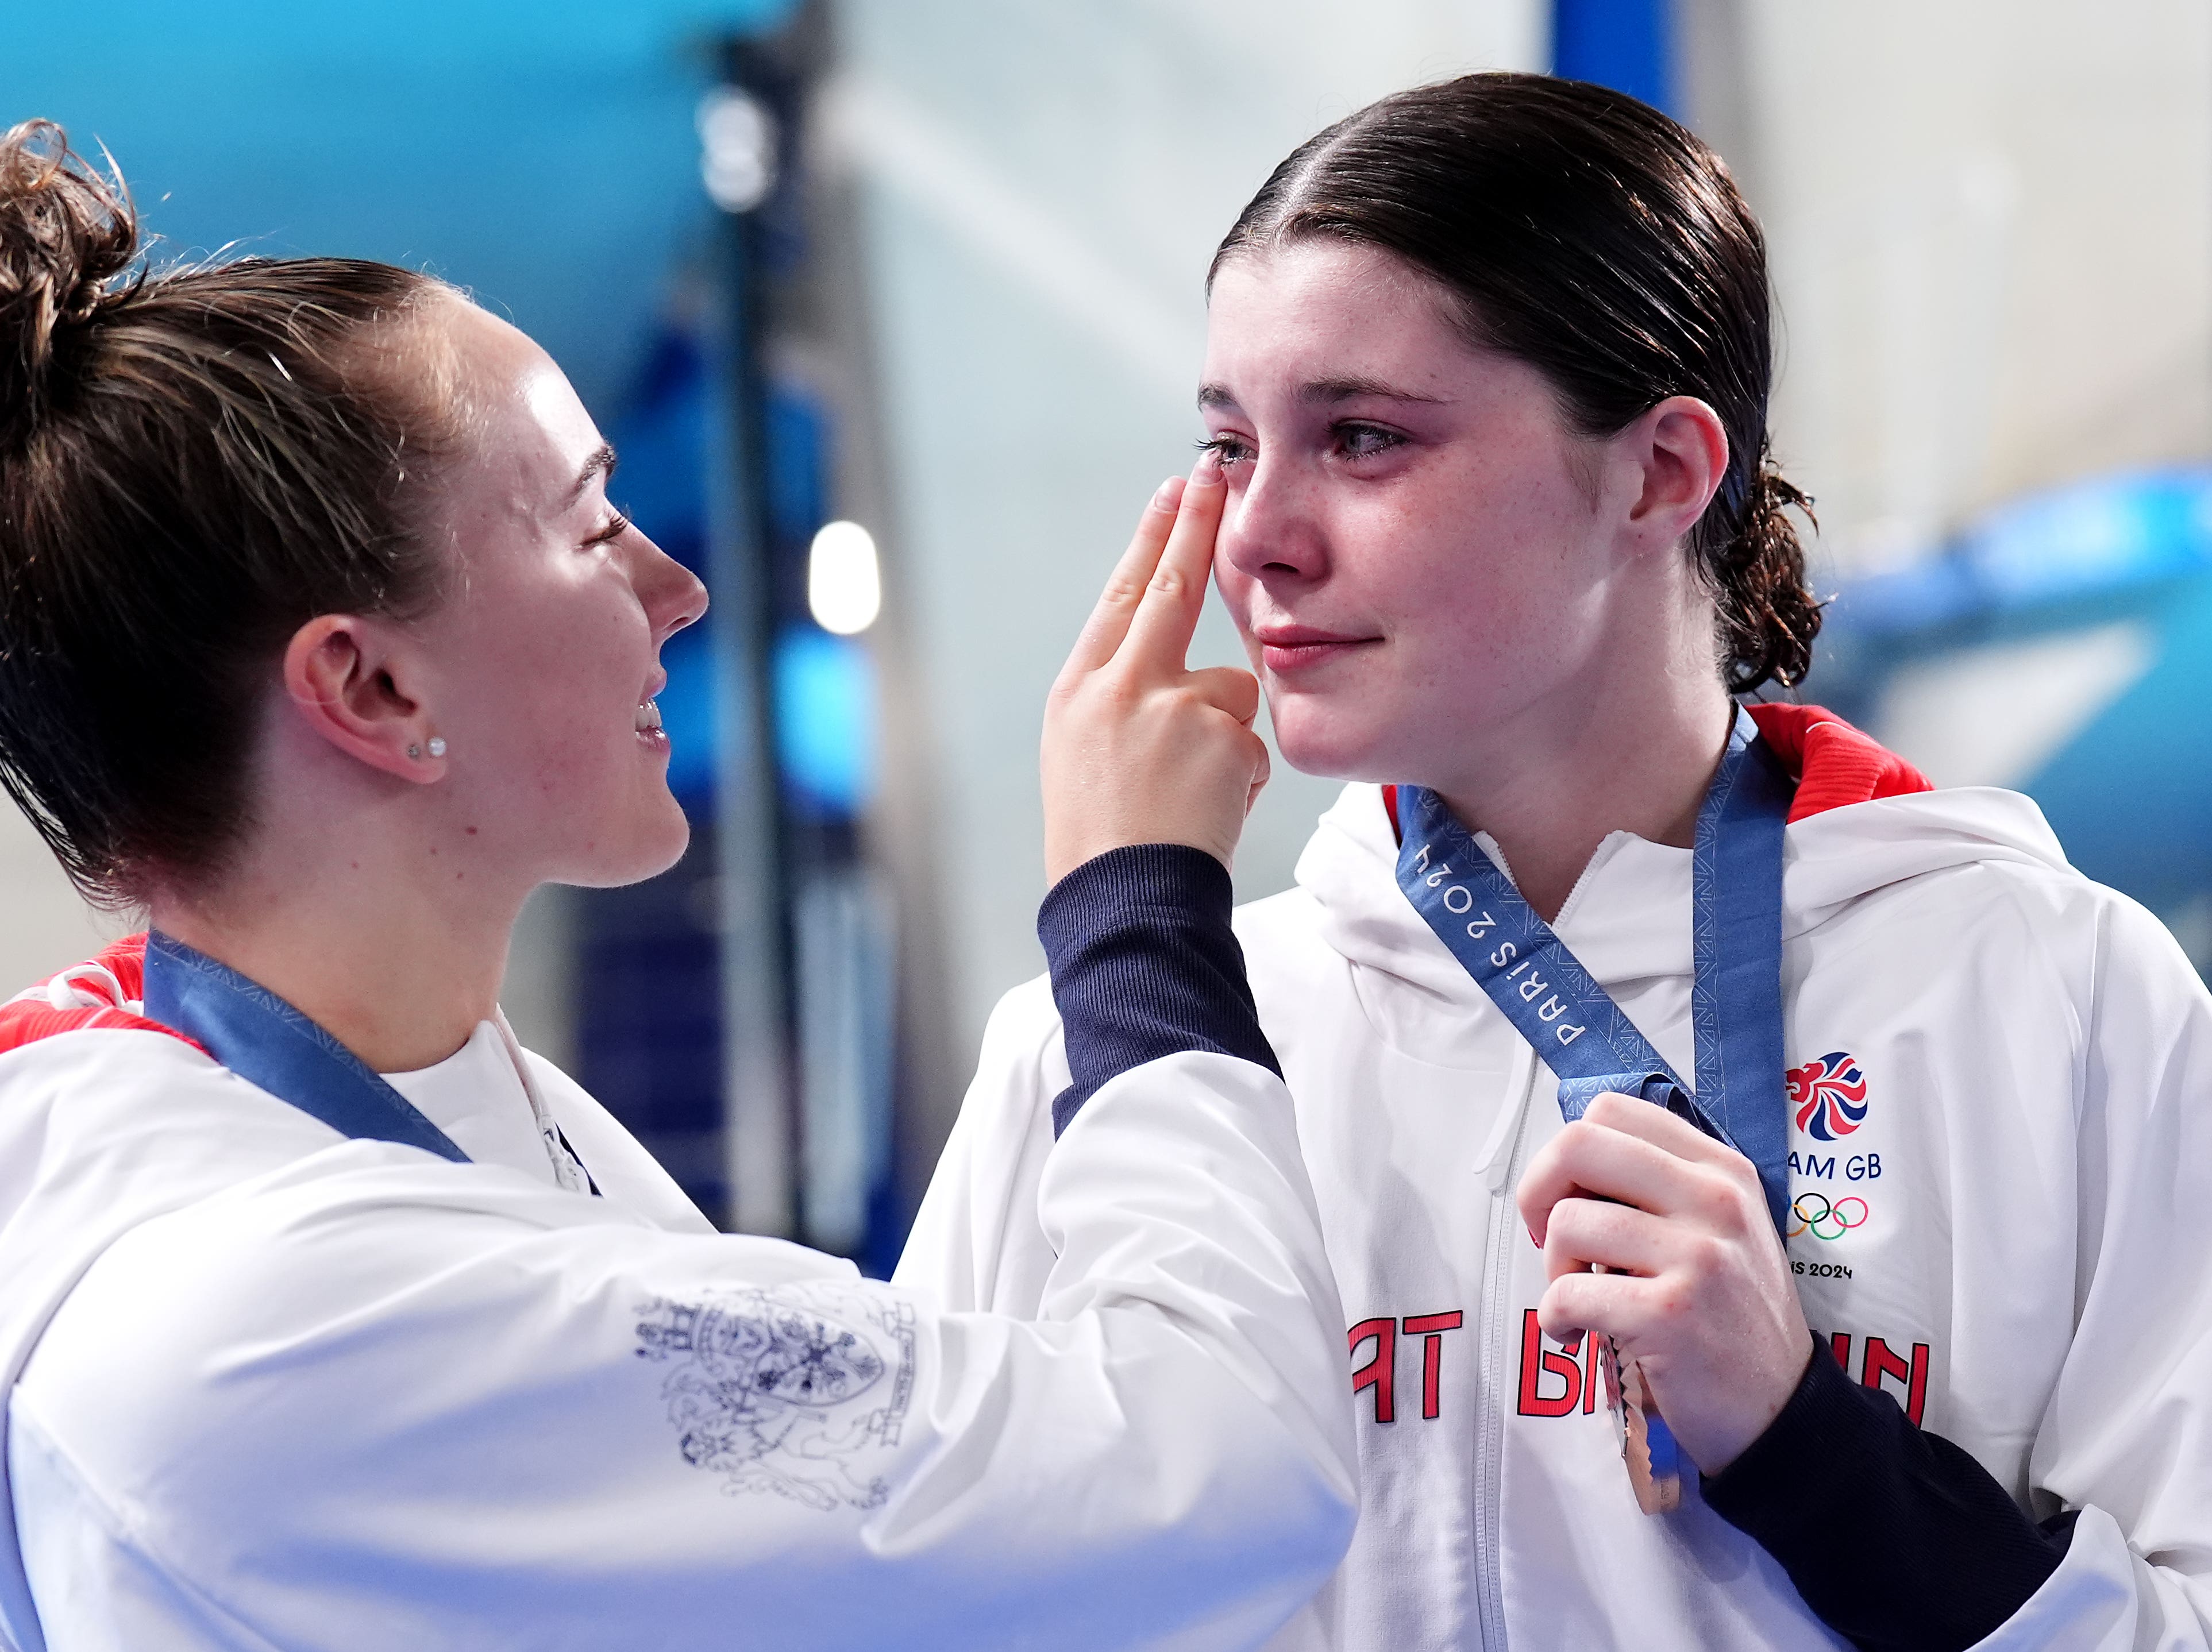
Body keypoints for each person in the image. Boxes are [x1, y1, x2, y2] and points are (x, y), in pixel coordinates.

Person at [0, 121, 1357, 1652]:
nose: (675, 587)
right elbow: (1219, 1468)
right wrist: (1134, 899)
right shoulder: (291, 1317)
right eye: (589, 524)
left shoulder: (412, 1097)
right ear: (369, 686)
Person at [901, 71, 2212, 1652]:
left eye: (1362, 437)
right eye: (1230, 444)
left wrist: (1808, 1443)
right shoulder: (1108, 1051)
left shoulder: (2041, 994)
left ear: (1659, 472)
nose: (1254, 538)